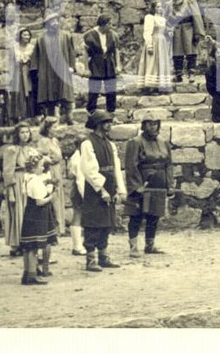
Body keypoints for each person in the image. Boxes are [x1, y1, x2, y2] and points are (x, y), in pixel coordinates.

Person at [79, 110, 127, 271]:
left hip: (110, 185)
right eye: (106, 122)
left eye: (110, 122)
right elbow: (89, 170)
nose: (109, 125)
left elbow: (116, 167)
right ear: (98, 124)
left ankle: (103, 256)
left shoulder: (110, 144)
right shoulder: (88, 143)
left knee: (106, 222)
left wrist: (120, 189)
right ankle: (91, 259)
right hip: (95, 189)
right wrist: (101, 190)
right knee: (94, 223)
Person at [124, 117, 174, 257]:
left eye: (156, 124)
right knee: (136, 216)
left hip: (159, 183)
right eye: (150, 124)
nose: (153, 127)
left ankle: (150, 245)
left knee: (154, 214)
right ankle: (133, 247)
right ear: (144, 125)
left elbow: (169, 164)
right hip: (142, 183)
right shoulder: (135, 142)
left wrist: (169, 184)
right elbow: (131, 166)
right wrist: (137, 186)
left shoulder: (163, 142)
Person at [19, 152, 57, 285]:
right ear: (34, 167)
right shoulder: (35, 180)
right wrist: (51, 196)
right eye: (41, 166)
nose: (42, 168)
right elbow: (40, 201)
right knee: (33, 246)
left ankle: (27, 272)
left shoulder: (27, 177)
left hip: (29, 212)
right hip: (37, 214)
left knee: (28, 246)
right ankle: (32, 275)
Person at [32, 12, 77, 124]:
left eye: (57, 21)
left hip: (63, 69)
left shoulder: (66, 36)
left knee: (66, 94)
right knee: (49, 95)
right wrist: (36, 70)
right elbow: (35, 56)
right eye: (52, 22)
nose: (55, 23)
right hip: (47, 70)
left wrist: (72, 66)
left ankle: (69, 118)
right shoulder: (41, 38)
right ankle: (50, 120)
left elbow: (71, 52)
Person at [2, 123, 35, 257]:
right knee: (18, 212)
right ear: (17, 134)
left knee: (28, 212)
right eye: (22, 132)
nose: (25, 135)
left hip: (29, 181)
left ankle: (27, 242)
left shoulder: (31, 150)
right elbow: (8, 171)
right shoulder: (12, 150)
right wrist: (10, 191)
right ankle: (16, 244)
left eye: (27, 132)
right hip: (17, 181)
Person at [37, 117, 66, 260]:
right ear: (47, 128)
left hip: (57, 171)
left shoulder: (54, 141)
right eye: (54, 127)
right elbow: (42, 159)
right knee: (51, 203)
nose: (56, 129)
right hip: (49, 172)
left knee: (57, 202)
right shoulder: (43, 141)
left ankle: (55, 235)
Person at [166, 0, 207, 83]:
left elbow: (196, 16)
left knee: (191, 51)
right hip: (176, 29)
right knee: (177, 52)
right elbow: (166, 19)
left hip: (188, 28)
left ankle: (191, 74)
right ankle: (178, 74)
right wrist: (167, 30)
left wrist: (198, 32)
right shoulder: (169, 4)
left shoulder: (189, 2)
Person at [84, 15, 122, 114]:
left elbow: (116, 51)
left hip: (109, 63)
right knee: (94, 89)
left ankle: (111, 112)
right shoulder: (90, 35)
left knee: (111, 89)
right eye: (109, 24)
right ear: (103, 24)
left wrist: (118, 65)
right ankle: (91, 112)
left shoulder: (113, 35)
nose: (111, 26)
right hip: (95, 64)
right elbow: (85, 53)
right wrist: (87, 68)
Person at [136, 0, 174, 93]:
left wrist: (169, 32)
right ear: (153, 8)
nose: (160, 8)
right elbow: (147, 32)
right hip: (154, 41)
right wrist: (149, 44)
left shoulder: (163, 19)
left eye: (161, 6)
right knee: (152, 62)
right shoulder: (150, 17)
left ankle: (160, 86)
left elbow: (164, 31)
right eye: (157, 6)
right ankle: (149, 86)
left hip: (162, 42)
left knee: (161, 63)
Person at [8, 28, 37, 122]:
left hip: (28, 71)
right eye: (24, 35)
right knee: (18, 93)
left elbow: (35, 60)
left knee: (29, 92)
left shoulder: (32, 48)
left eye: (28, 35)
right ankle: (18, 115)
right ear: (20, 36)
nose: (26, 37)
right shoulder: (14, 48)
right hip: (18, 72)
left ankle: (30, 115)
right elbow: (11, 62)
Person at [67, 148, 86, 256]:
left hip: (83, 187)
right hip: (80, 188)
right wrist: (84, 195)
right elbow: (80, 178)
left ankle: (84, 243)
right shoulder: (77, 157)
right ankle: (77, 246)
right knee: (78, 214)